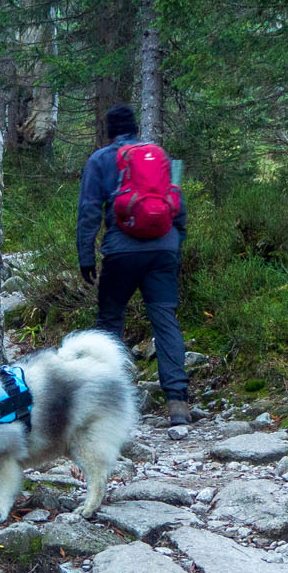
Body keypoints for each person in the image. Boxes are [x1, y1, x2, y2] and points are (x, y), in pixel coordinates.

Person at [76, 104, 191, 426]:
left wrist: (86, 256)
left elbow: (88, 212)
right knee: (165, 320)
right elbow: (177, 205)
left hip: (122, 253)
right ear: (135, 128)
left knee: (110, 321)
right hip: (163, 249)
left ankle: (104, 403)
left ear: (108, 130)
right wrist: (174, 246)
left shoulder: (99, 159)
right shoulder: (160, 157)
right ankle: (178, 402)